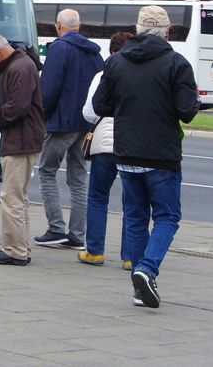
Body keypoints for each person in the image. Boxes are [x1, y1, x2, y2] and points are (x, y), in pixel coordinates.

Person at [92, 6, 199, 310]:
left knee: (136, 217)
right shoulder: (176, 63)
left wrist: (128, 109)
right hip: (162, 153)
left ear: (137, 30)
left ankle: (140, 288)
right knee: (167, 216)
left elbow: (101, 104)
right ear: (167, 32)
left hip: (126, 151)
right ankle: (147, 269)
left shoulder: (115, 62)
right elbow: (187, 111)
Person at [33, 8, 105, 250]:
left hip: (62, 122)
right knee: (78, 176)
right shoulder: (95, 53)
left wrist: (41, 116)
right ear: (79, 25)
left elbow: (49, 88)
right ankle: (77, 234)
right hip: (86, 122)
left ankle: (55, 228)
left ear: (57, 26)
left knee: (46, 170)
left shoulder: (59, 49)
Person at [0, 33, 44, 266]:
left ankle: (14, 249)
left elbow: (16, 107)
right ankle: (21, 247)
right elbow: (15, 101)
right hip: (24, 138)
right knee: (18, 196)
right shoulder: (21, 64)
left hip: (20, 139)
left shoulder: (18, 68)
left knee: (11, 197)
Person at [79, 30, 133, 267]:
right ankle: (130, 256)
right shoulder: (142, 74)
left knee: (98, 197)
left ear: (111, 51)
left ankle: (95, 251)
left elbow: (90, 112)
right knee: (133, 200)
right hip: (133, 142)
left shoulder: (103, 74)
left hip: (104, 143)